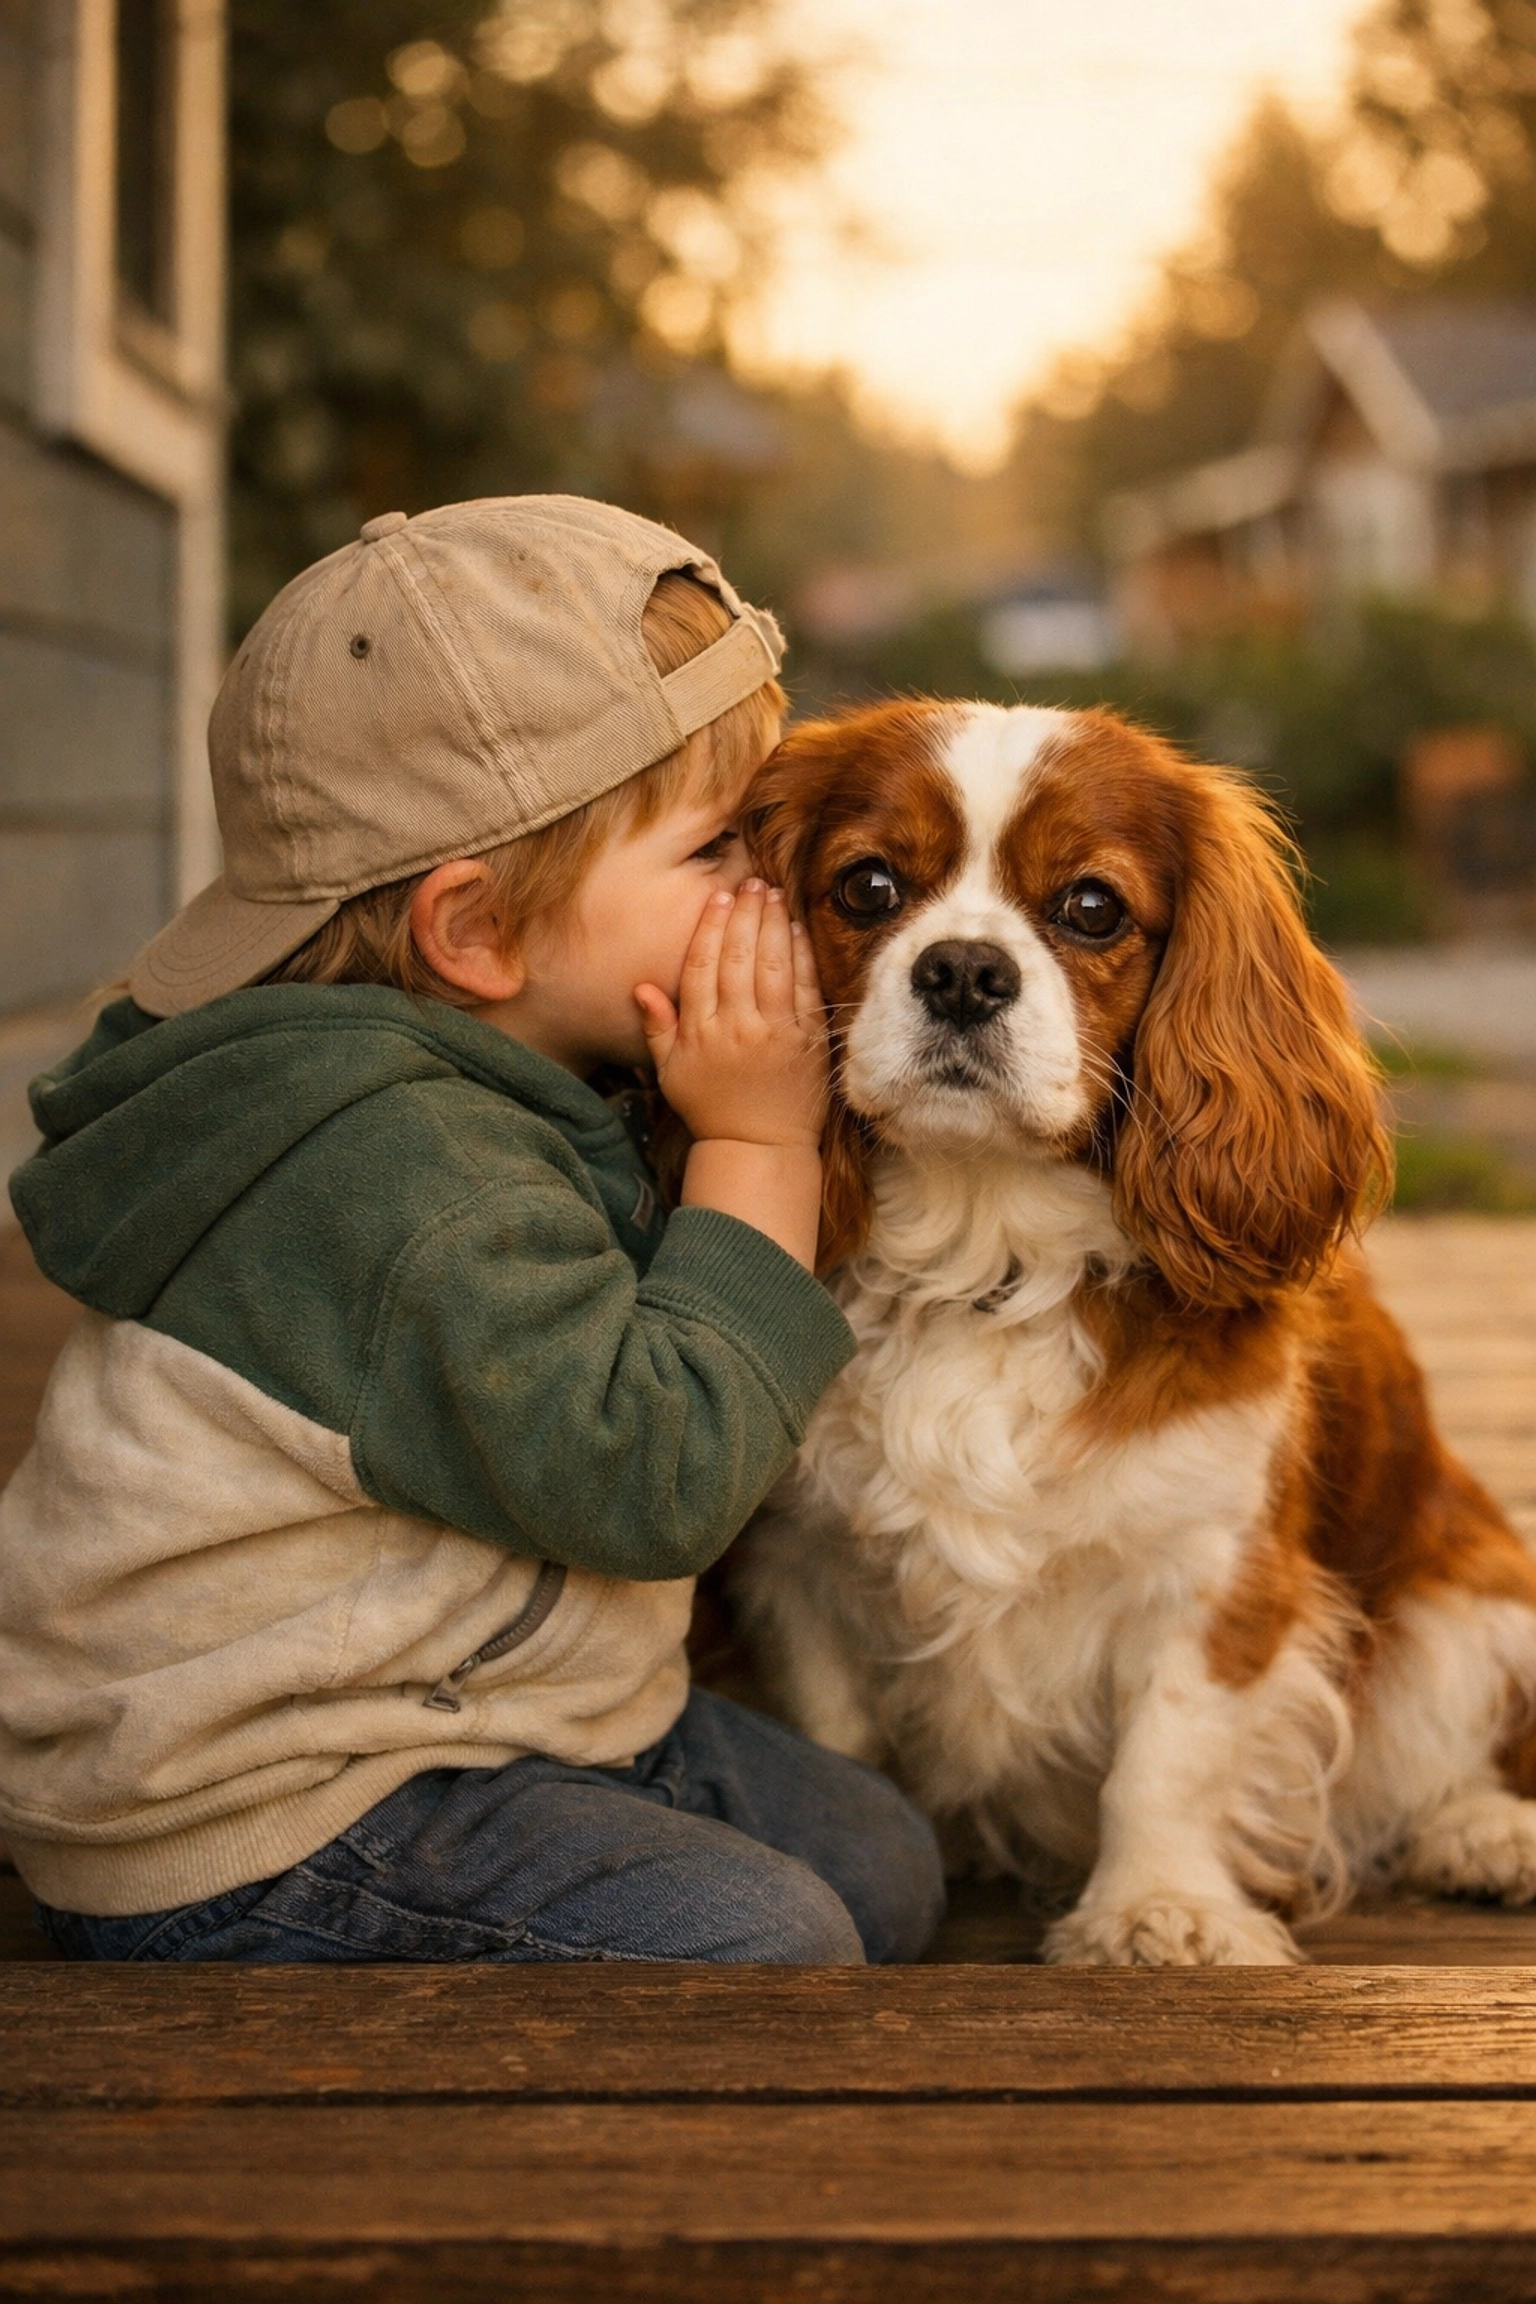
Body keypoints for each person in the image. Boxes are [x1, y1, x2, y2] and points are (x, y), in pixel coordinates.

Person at [0, 496, 944, 1965]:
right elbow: (653, 1477)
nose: (769, 892)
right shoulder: (403, 1178)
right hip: (259, 1803)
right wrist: (759, 1137)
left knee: (887, 1865)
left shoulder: (493, 1064)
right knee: (768, 1945)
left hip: (468, 1696)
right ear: (477, 934)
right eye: (717, 853)